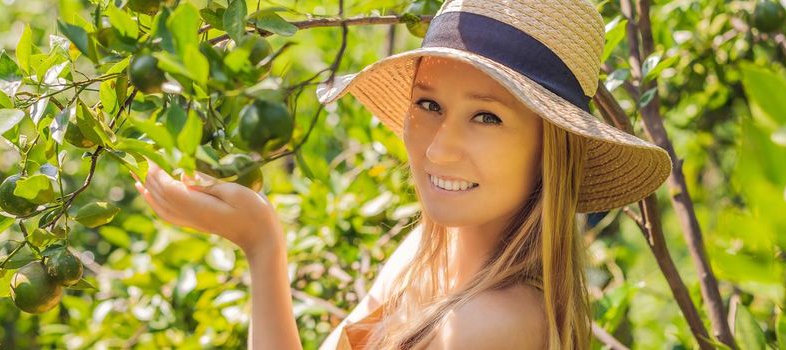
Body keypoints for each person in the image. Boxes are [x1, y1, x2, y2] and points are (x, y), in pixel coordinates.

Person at [132, 0, 672, 348]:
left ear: (549, 150)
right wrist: (262, 247)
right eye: (429, 104)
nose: (439, 149)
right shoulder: (424, 254)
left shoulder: (494, 325)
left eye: (487, 117)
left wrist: (262, 242)